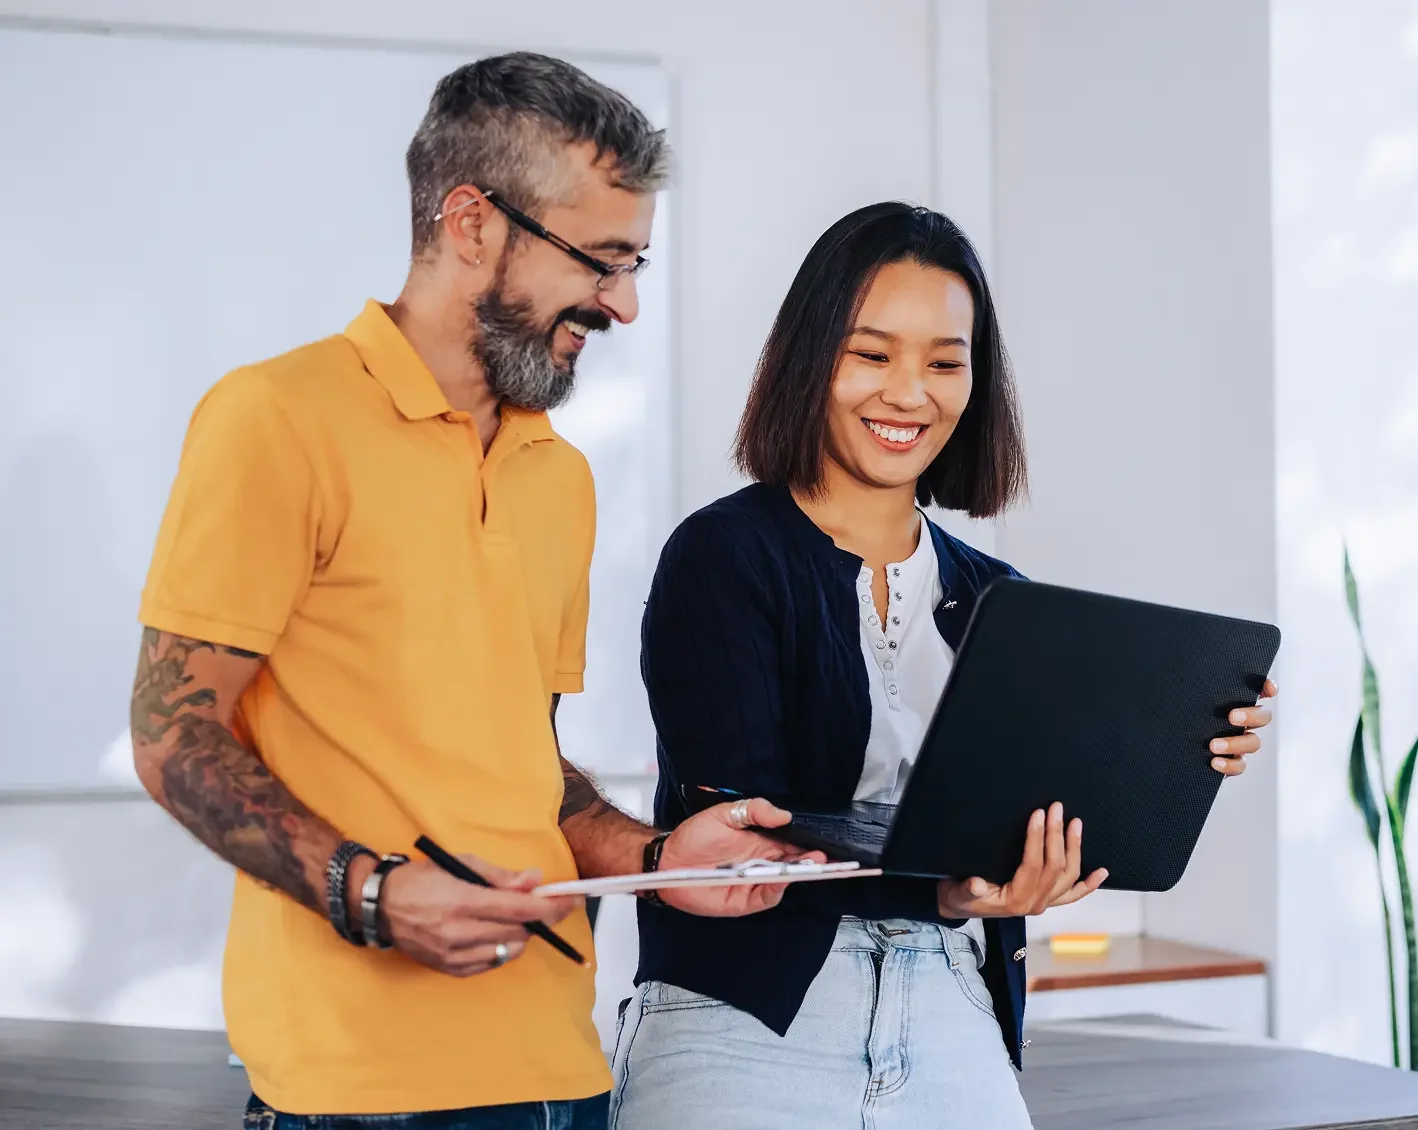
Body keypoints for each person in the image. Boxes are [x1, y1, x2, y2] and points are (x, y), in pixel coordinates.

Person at [130, 53, 809, 1130]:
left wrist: (653, 855)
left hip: (559, 1069)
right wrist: (373, 893)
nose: (624, 303)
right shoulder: (275, 417)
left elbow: (522, 763)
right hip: (357, 1092)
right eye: (601, 259)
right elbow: (173, 738)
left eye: (636, 263)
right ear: (471, 221)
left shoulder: (560, 475)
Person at [609, 202, 1278, 1130]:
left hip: (953, 1003)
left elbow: (1031, 802)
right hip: (747, 1017)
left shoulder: (1003, 599)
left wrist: (1169, 752)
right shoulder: (724, 555)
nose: (909, 394)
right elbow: (753, 827)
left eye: (944, 362)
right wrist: (954, 885)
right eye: (872, 354)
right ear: (811, 360)